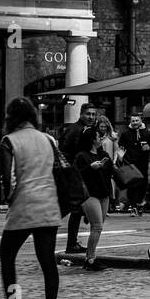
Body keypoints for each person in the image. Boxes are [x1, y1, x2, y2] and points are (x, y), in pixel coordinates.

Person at [0, 97, 62, 299]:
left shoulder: (9, 141)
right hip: (48, 205)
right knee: (48, 263)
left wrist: (8, 199)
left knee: (7, 257)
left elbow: (9, 179)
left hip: (24, 206)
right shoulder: (48, 139)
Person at [74, 124, 114, 271]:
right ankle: (90, 259)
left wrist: (107, 165)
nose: (101, 138)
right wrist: (91, 168)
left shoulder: (104, 154)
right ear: (92, 139)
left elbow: (110, 172)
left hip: (103, 194)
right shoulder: (82, 156)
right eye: (98, 136)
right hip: (89, 195)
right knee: (97, 226)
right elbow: (76, 175)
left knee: (97, 227)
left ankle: (90, 257)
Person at [60, 104, 99, 252]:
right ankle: (71, 244)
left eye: (93, 114)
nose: (91, 117)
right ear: (81, 114)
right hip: (75, 173)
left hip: (79, 172)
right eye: (88, 114)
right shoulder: (75, 130)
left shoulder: (85, 130)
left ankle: (72, 242)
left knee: (79, 207)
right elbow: (67, 152)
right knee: (76, 209)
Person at [118, 111, 150, 215]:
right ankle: (133, 206)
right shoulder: (125, 133)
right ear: (130, 121)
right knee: (132, 185)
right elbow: (121, 146)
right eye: (133, 121)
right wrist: (120, 158)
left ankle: (138, 203)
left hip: (143, 163)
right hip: (130, 163)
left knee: (143, 185)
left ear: (141, 120)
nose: (134, 122)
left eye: (136, 120)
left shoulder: (147, 133)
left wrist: (149, 147)